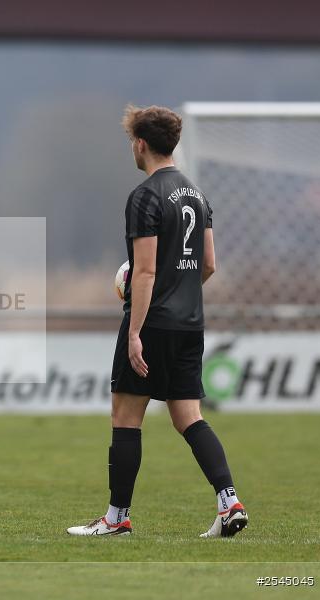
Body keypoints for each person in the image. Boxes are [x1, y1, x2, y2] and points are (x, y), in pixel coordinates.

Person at [67, 105, 247, 538]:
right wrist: (180, 289)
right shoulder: (196, 195)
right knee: (189, 416)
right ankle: (229, 503)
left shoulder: (145, 196)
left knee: (126, 415)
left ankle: (116, 518)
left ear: (141, 144)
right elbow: (209, 264)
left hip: (152, 323)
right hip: (190, 322)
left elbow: (143, 272)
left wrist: (134, 332)